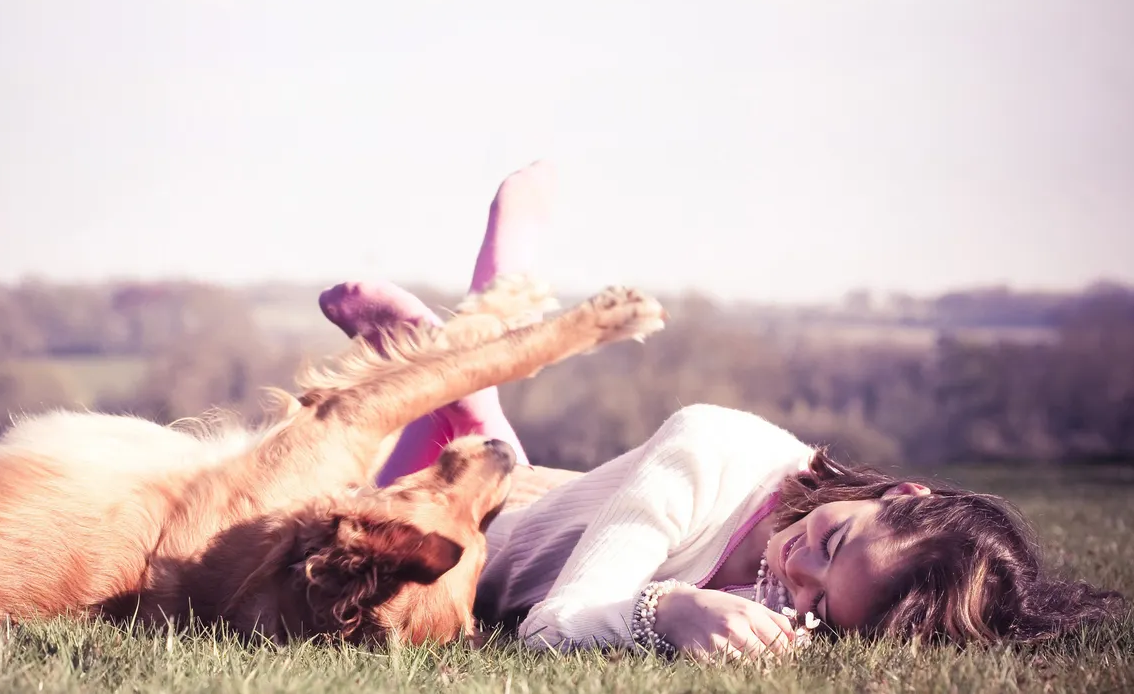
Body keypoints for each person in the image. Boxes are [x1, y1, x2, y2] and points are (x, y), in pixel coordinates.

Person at [317, 161, 1125, 659]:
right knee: (385, 468)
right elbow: (552, 624)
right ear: (899, 493)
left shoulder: (818, 608)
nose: (796, 574)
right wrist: (666, 610)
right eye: (833, 542)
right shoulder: (712, 447)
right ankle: (472, 320)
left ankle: (454, 366)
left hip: (554, 502)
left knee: (483, 430)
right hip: (485, 531)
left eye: (821, 607)